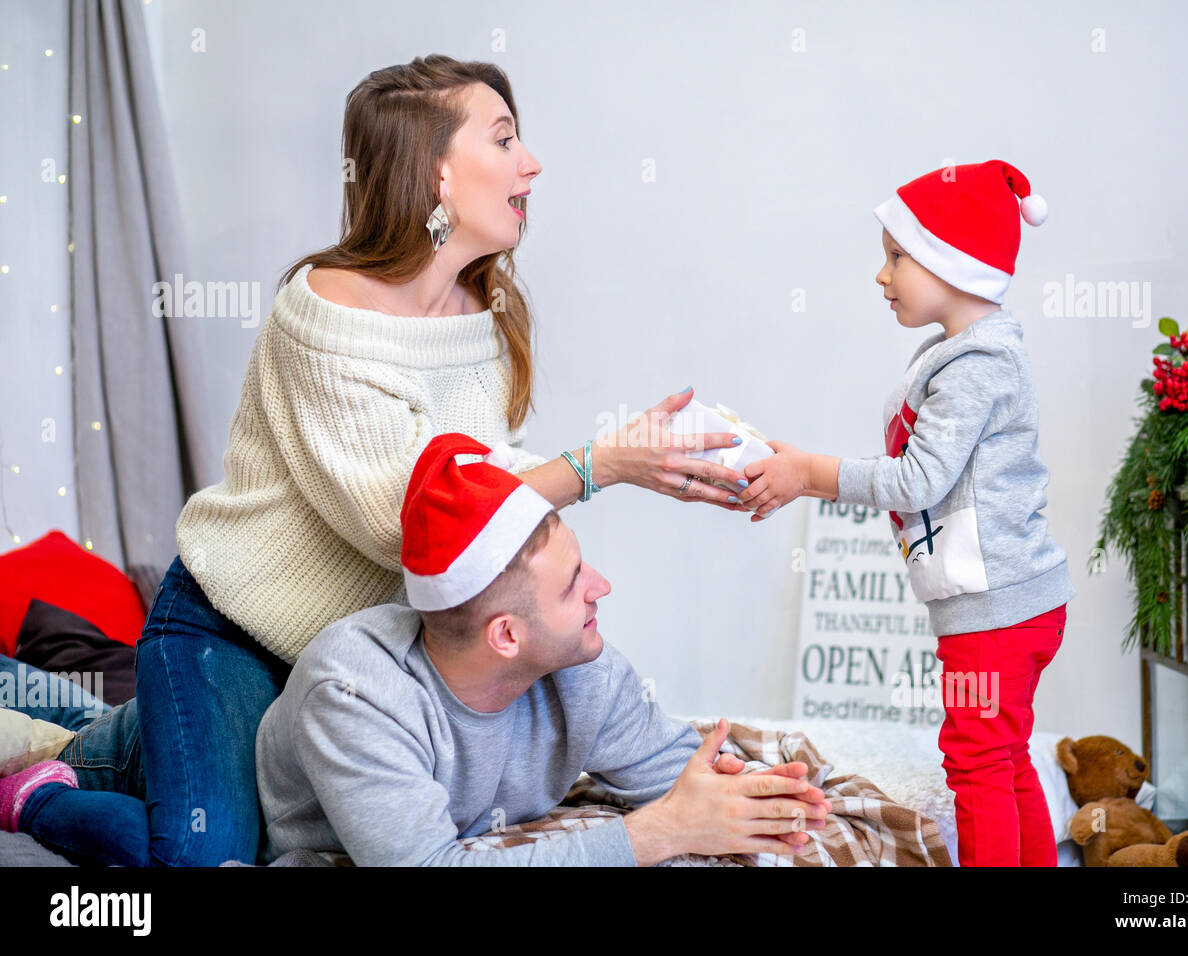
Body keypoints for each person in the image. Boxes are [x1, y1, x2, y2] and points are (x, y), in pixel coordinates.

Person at [1, 54, 753, 867]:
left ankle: (123, 732)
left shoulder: (484, 310)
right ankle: (45, 785)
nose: (530, 162)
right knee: (208, 856)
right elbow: (409, 523)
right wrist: (606, 461)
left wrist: (643, 458)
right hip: (234, 629)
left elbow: (480, 475)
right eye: (503, 140)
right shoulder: (322, 312)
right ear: (435, 175)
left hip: (354, 653)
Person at [3, 434, 831, 866]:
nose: (602, 589)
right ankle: (38, 796)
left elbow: (675, 775)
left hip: (266, 721)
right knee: (174, 840)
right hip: (161, 752)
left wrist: (761, 800)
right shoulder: (358, 688)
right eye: (575, 577)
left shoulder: (582, 664)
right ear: (505, 635)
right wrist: (652, 838)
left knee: (69, 700)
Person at [735, 160, 1076, 866]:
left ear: (956, 265)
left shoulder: (975, 366)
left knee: (978, 764)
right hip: (1017, 605)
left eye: (897, 256)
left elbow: (920, 478)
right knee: (1005, 758)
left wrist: (810, 474)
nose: (881, 275)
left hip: (995, 614)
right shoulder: (967, 355)